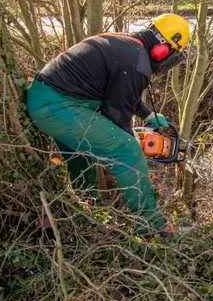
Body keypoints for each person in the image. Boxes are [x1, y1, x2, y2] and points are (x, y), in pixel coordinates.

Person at [26, 13, 190, 235]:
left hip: (48, 101)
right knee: (127, 150)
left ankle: (86, 213)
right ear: (162, 49)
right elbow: (116, 115)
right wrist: (133, 143)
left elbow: (119, 92)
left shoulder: (128, 46)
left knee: (80, 158)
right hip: (58, 107)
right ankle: (152, 225)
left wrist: (147, 114)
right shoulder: (137, 62)